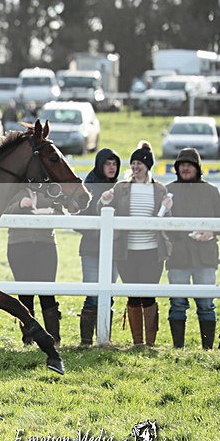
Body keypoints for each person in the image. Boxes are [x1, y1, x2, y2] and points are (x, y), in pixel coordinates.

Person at [99, 141, 172, 347]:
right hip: (127, 251)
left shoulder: (159, 189)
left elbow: (167, 220)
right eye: (133, 163)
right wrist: (104, 200)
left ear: (147, 166)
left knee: (148, 295)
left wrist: (168, 207)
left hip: (152, 251)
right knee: (132, 296)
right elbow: (102, 211)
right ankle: (137, 342)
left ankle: (150, 343)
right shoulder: (121, 187)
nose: (135, 167)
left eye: (139, 163)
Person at [165, 148, 220, 349]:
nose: (185, 168)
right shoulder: (168, 191)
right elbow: (159, 223)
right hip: (177, 255)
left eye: (189, 164)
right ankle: (178, 348)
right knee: (177, 304)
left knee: (206, 304)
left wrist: (212, 232)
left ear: (197, 168)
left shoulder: (211, 191)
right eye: (181, 165)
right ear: (176, 168)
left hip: (205, 256)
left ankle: (207, 348)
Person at [5, 187, 64, 346]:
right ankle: (28, 339)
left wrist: (51, 214)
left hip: (46, 245)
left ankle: (54, 339)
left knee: (47, 292)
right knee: (25, 294)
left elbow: (62, 214)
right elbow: (1, 212)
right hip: (18, 245)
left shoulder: (51, 190)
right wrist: (19, 205)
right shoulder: (13, 189)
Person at [76, 148, 121, 345]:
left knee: (108, 294)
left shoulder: (121, 188)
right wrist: (97, 231)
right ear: (100, 165)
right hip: (91, 249)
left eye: (114, 164)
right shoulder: (88, 188)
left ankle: (105, 338)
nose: (112, 168)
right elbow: (79, 221)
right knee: (92, 294)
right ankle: (86, 341)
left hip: (114, 249)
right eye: (108, 163)